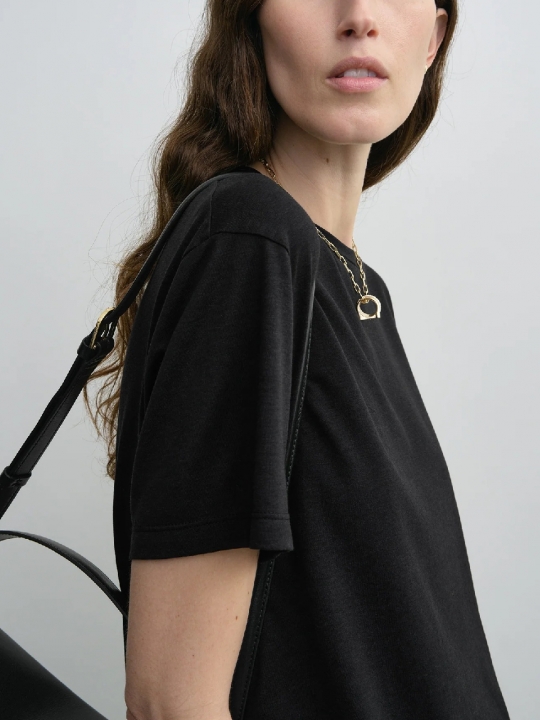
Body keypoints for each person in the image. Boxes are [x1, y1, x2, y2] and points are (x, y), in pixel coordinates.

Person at [84, 1, 511, 718]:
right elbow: (171, 701)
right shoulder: (251, 237)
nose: (359, 16)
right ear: (250, 21)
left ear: (434, 37)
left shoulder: (358, 287)